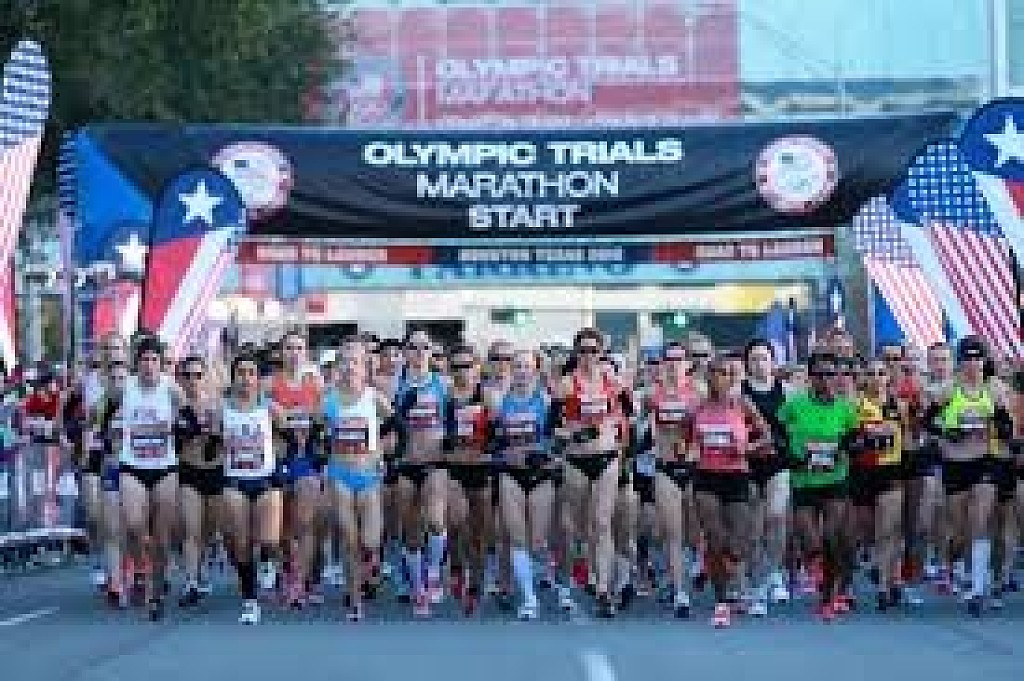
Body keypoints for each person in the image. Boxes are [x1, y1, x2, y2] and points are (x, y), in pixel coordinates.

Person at [689, 356, 771, 627]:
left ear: (732, 377)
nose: (718, 378)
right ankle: (722, 600)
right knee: (715, 537)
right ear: (707, 377)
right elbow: (684, 439)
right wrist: (685, 451)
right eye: (713, 373)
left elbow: (767, 436)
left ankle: (730, 575)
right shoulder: (697, 407)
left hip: (736, 475)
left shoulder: (742, 404)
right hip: (706, 476)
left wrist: (747, 449)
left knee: (738, 543)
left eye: (724, 373)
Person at [778, 351, 859, 621]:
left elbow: (853, 438)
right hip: (804, 480)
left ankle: (828, 597)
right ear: (810, 377)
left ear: (838, 377)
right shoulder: (794, 405)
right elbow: (776, 432)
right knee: (811, 541)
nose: (825, 380)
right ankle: (818, 573)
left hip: (835, 479)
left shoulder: (846, 408)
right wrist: (790, 456)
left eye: (830, 374)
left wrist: (846, 447)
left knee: (831, 538)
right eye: (819, 374)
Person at [323, 338, 393, 622]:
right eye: (345, 361)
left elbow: (394, 426)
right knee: (349, 540)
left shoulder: (375, 398)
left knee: (370, 541)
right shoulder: (328, 399)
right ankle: (355, 599)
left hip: (368, 476)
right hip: (339, 474)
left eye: (355, 361)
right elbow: (317, 433)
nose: (350, 366)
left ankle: (372, 563)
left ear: (365, 367)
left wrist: (382, 453)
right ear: (337, 366)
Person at [116, 336, 182, 621]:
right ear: (137, 363)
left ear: (161, 363)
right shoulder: (125, 386)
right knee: (134, 525)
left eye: (154, 359)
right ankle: (142, 571)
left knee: (162, 537)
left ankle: (157, 589)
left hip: (165, 467)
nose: (149, 365)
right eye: (144, 359)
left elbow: (192, 411)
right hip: (132, 465)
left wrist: (179, 424)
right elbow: (98, 412)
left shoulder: (171, 387)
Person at [492, 350, 558, 620]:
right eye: (517, 366)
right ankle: (529, 599)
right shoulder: (501, 400)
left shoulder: (546, 400)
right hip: (511, 473)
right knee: (517, 537)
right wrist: (501, 450)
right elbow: (494, 438)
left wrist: (545, 454)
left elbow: (556, 438)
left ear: (536, 370)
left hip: (540, 474)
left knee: (537, 540)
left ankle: (543, 568)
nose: (522, 371)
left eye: (527, 367)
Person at [221, 351, 282, 625]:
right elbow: (212, 442)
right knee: (242, 544)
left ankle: (268, 562)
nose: (246, 378)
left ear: (258, 379)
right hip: (235, 481)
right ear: (233, 377)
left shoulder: (271, 408)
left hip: (266, 479)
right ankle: (250, 600)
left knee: (269, 540)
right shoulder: (221, 409)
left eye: (251, 373)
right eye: (241, 373)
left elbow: (291, 435)